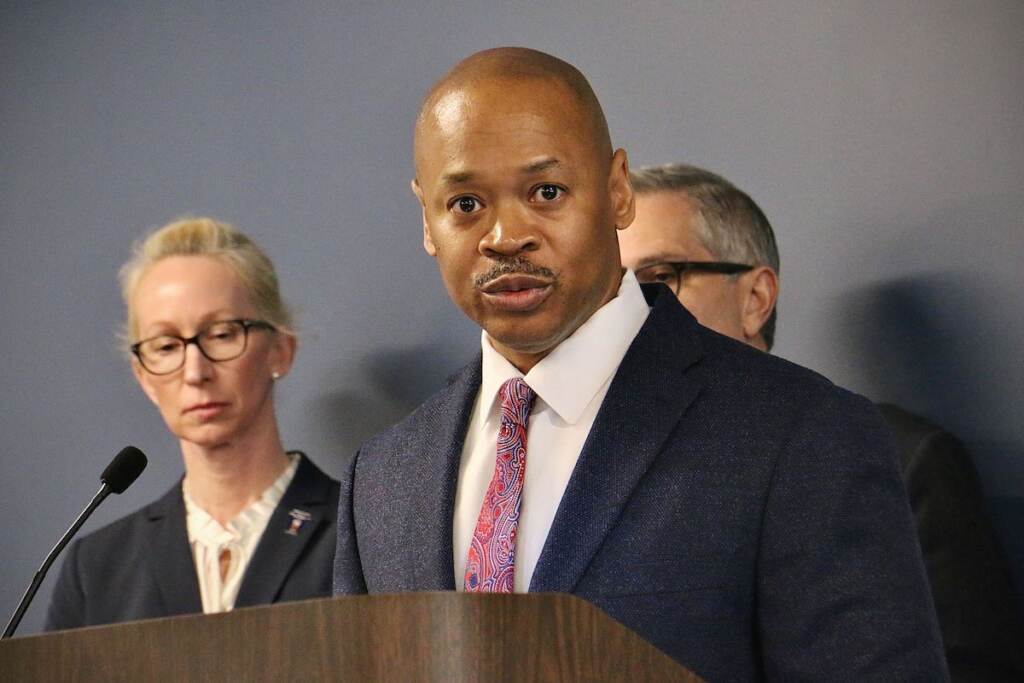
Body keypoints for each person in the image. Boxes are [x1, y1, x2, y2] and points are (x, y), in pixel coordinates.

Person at [332, 47, 948, 680]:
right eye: (465, 204)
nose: (504, 235)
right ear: (426, 220)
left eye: (546, 192)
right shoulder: (382, 480)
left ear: (617, 190)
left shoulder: (801, 436)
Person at [618, 162, 1024, 681]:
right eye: (618, 290)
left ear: (755, 299)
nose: (633, 312)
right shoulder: (605, 477)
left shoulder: (903, 460)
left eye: (658, 280)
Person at [46, 217, 339, 630]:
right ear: (144, 376)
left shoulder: (357, 533)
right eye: (165, 346)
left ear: (280, 351)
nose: (194, 370)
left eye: (221, 335)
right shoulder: (96, 568)